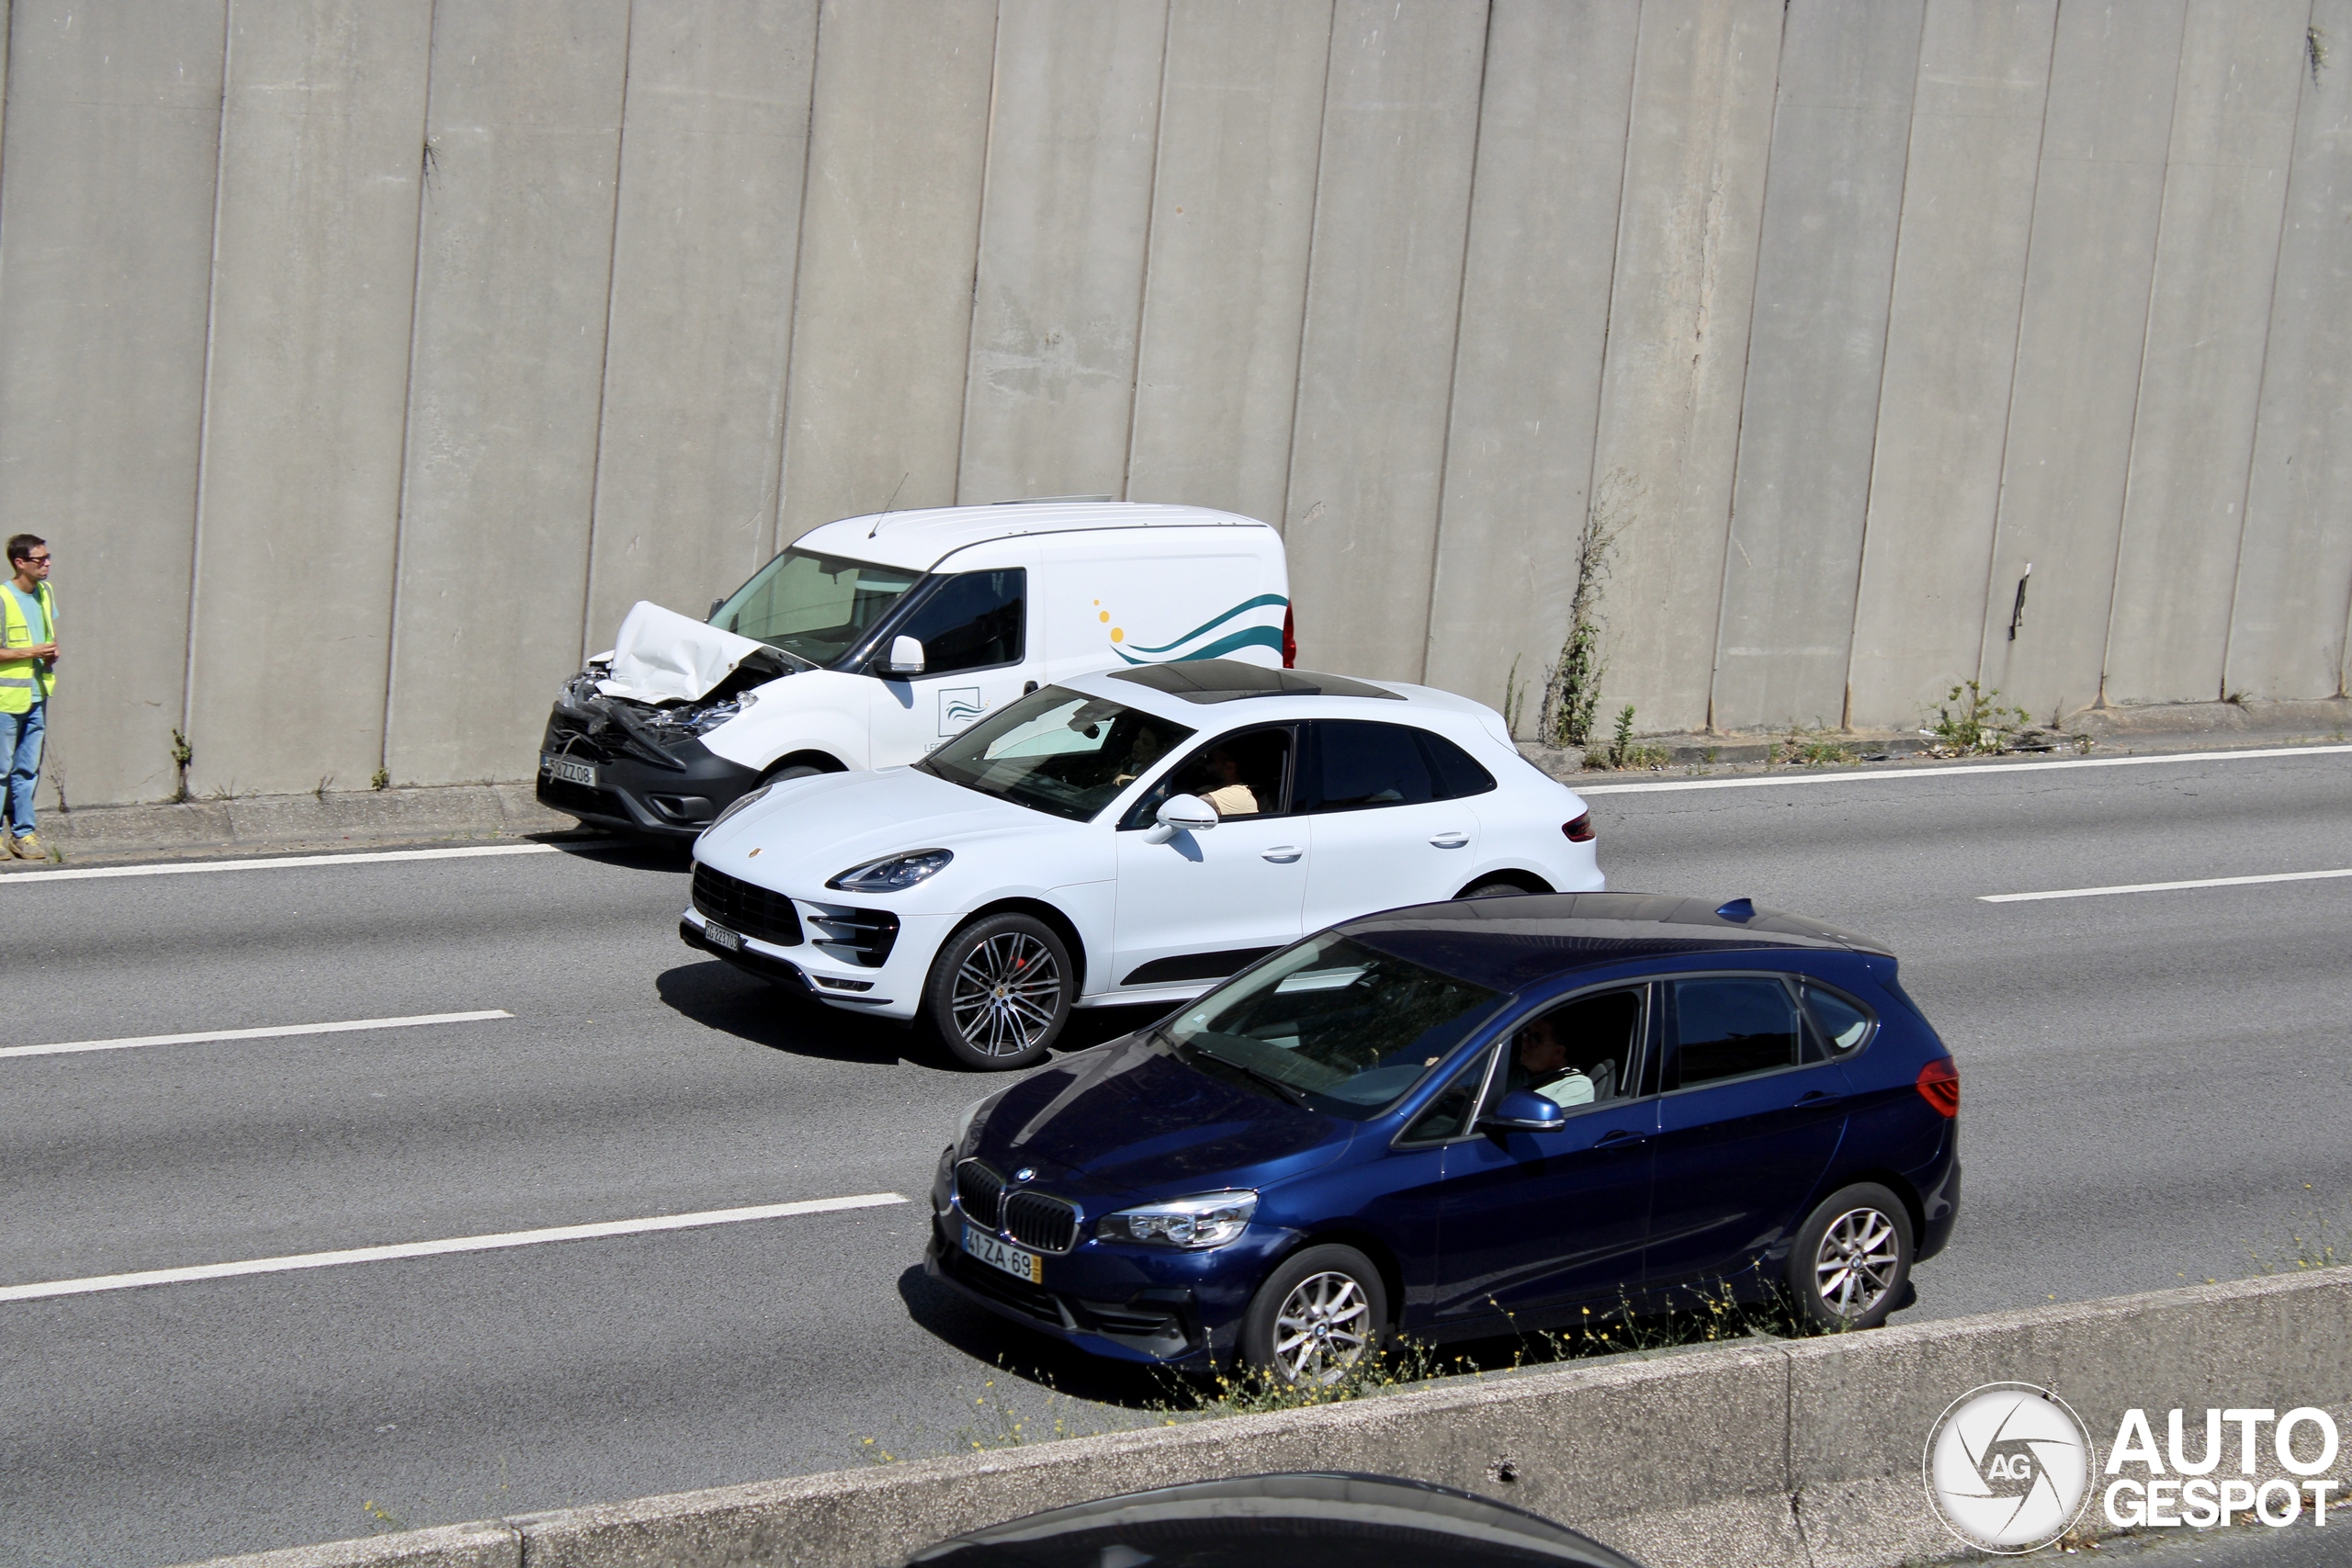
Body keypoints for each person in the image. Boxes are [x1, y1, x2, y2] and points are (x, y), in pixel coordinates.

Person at [1, 534, 57, 859]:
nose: (47, 563)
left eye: (48, 557)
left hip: (37, 695)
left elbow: (49, 632)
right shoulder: (2, 598)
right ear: (20, 562)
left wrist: (51, 651)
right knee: (0, 770)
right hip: (5, 701)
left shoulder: (45, 593)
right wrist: (31, 651)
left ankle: (24, 834)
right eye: (40, 559)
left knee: (26, 770)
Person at [1510, 1013, 1615, 1108]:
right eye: (1526, 1033)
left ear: (1558, 1052)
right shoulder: (1513, 1070)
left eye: (1534, 1039)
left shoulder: (1576, 1086)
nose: (1525, 1041)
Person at [1199, 745, 1260, 818]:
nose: (1202, 764)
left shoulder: (1239, 794)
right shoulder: (1206, 788)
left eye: (1209, 760)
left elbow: (1199, 804)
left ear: (1229, 767)